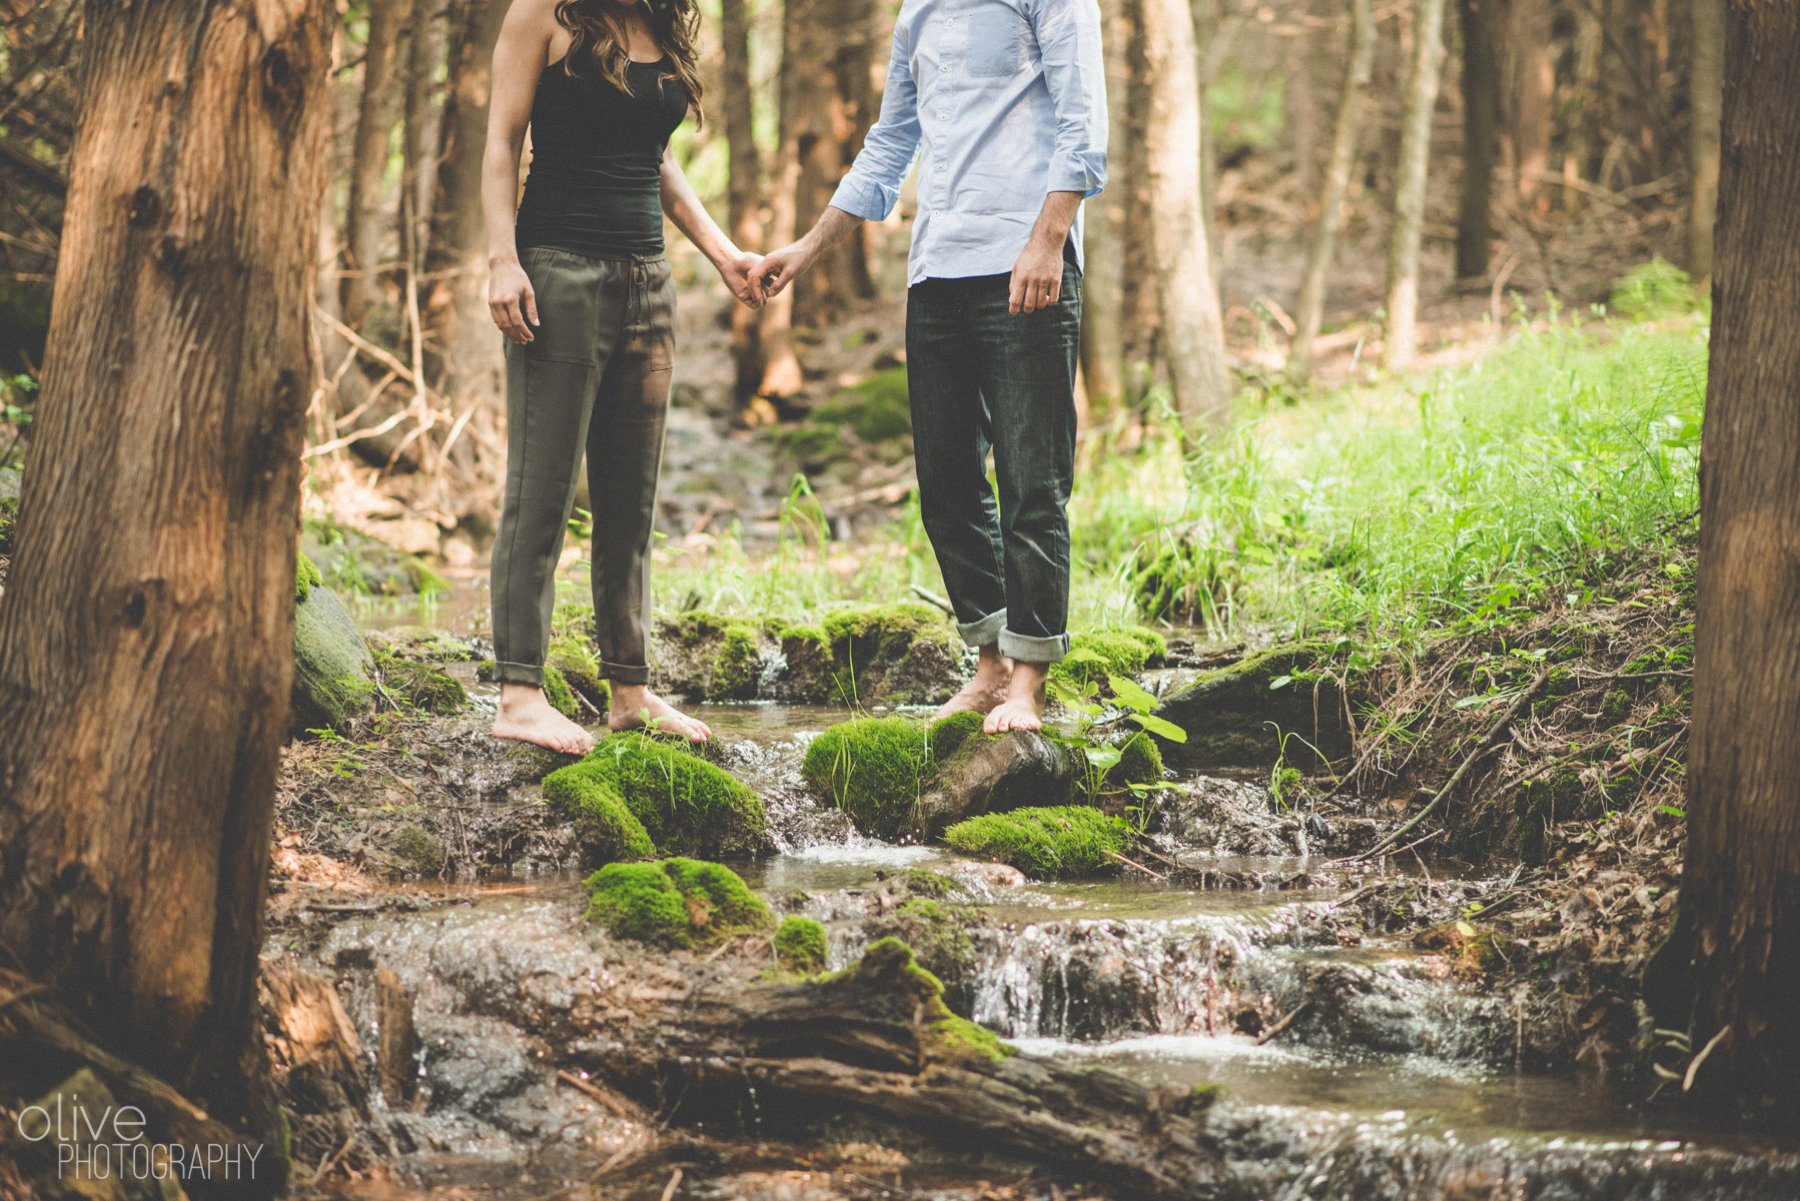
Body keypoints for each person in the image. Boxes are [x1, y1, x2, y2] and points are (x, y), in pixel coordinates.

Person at [758, 0, 1106, 735]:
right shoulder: (918, 10)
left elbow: (1083, 121)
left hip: (1024, 261)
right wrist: (808, 247)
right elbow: (890, 142)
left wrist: (1048, 241)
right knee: (945, 479)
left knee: (1031, 479)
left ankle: (1030, 681)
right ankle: (990, 662)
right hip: (936, 272)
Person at [481, 0, 763, 753]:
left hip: (648, 280)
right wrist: (501, 259)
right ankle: (518, 692)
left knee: (629, 502)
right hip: (558, 272)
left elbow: (656, 160)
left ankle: (630, 691)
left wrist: (723, 253)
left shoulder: (659, 20)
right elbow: (503, 141)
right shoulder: (543, 12)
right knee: (539, 491)